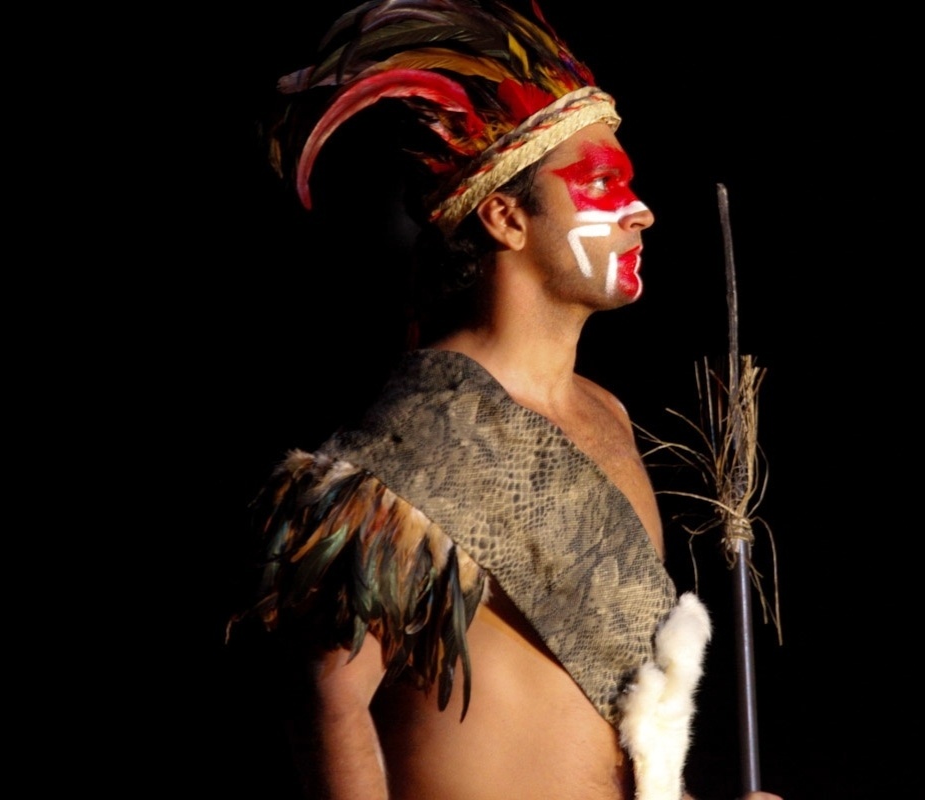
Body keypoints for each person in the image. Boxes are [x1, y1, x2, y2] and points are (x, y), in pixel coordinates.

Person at [228, 3, 783, 799]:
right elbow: (328, 698)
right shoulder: (417, 442)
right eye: (602, 184)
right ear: (505, 216)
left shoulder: (607, 416)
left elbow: (612, 720)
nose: (641, 210)